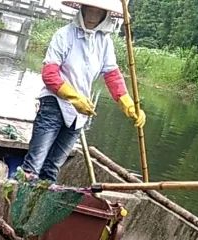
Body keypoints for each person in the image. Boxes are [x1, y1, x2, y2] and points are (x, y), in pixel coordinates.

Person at [21, 0, 146, 182]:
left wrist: (128, 104)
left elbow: (112, 76)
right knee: (34, 165)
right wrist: (74, 98)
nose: (92, 17)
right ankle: (21, 196)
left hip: (80, 112)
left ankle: (40, 198)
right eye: (89, 11)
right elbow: (49, 75)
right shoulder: (64, 35)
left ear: (105, 16)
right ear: (82, 10)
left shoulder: (105, 43)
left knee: (52, 168)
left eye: (98, 13)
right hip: (54, 103)